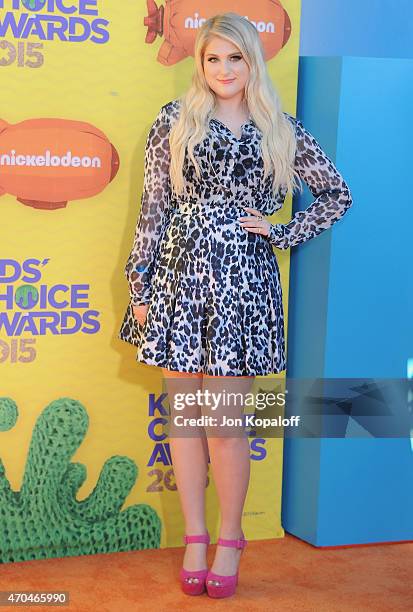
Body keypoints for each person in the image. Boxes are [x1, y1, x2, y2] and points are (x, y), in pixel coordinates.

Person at [118, 12, 353, 599]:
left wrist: (279, 231)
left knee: (224, 422)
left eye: (235, 57)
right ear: (199, 65)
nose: (224, 69)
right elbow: (153, 210)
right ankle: (194, 536)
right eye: (212, 58)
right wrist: (140, 284)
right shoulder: (174, 122)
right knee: (186, 420)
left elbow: (336, 194)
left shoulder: (281, 128)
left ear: (254, 60)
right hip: (176, 278)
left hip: (242, 284)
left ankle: (229, 538)